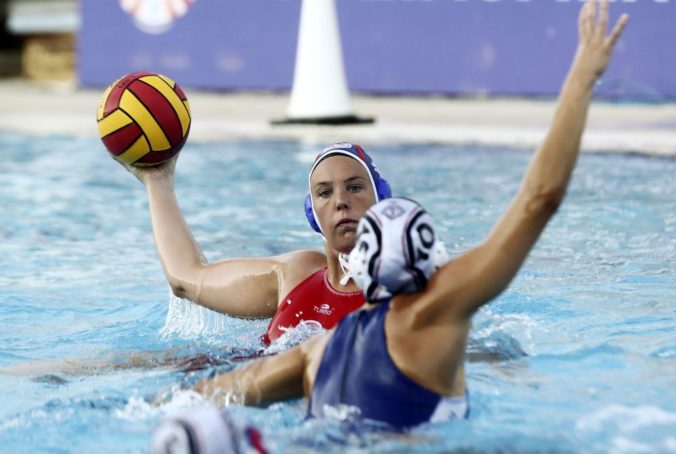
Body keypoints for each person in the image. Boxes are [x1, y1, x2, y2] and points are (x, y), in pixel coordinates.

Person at [182, 0, 629, 428]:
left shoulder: (316, 351)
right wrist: (581, 79)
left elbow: (205, 395)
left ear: (363, 264)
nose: (341, 202)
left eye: (354, 188)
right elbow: (540, 198)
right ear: (433, 263)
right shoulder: (435, 315)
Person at [122, 142, 392, 346]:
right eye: (325, 192)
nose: (341, 201)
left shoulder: (401, 291)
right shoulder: (295, 275)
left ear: (381, 198)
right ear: (312, 213)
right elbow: (186, 277)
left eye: (354, 187)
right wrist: (157, 180)